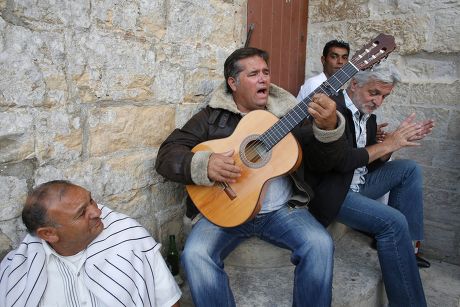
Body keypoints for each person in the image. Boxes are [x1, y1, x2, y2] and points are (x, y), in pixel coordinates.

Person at [155, 47, 347, 306]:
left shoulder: (290, 114)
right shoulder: (211, 116)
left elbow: (325, 163)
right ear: (232, 83)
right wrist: (203, 164)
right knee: (195, 254)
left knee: (320, 245)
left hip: (282, 210)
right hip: (226, 210)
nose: (264, 79)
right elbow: (167, 154)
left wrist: (329, 129)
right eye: (254, 73)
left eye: (266, 72)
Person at [304, 63, 434, 307]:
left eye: (384, 96)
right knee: (394, 222)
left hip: (357, 183)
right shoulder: (332, 111)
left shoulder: (368, 117)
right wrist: (386, 145)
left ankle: (409, 249)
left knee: (410, 169)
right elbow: (340, 162)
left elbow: (366, 165)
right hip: (333, 194)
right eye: (374, 93)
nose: (378, 102)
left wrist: (389, 148)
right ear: (354, 84)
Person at [0, 180, 181, 307]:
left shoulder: (129, 236)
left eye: (91, 200)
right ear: (48, 234)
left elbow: (168, 301)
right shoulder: (17, 273)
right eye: (81, 213)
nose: (96, 212)